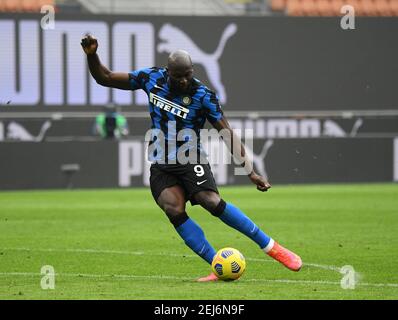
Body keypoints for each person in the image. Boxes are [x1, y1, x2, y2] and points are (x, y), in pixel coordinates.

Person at [81, 34, 302, 281]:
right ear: (168, 73)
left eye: (188, 74)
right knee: (172, 208)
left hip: (190, 157)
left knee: (210, 201)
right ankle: (217, 266)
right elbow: (105, 77)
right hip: (162, 162)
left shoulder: (203, 95)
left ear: (192, 70)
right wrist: (92, 55)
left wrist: (249, 170)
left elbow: (225, 132)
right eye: (179, 76)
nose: (185, 80)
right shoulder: (151, 78)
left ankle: (273, 248)